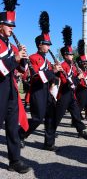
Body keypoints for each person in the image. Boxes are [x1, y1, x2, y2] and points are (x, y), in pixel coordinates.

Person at [0, 0, 31, 173]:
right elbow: (2, 69)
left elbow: (20, 70)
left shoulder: (11, 46)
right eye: (9, 25)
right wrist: (16, 58)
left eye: (13, 26)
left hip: (11, 90)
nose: (12, 29)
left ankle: (14, 161)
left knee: (12, 127)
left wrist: (23, 59)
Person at [19, 11, 60, 151]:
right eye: (47, 45)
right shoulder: (33, 58)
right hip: (37, 90)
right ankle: (21, 134)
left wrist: (56, 73)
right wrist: (52, 71)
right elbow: (36, 77)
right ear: (40, 44)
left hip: (47, 91)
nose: (49, 47)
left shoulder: (47, 61)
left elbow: (50, 77)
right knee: (37, 118)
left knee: (50, 116)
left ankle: (49, 143)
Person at [53, 25, 87, 143]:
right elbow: (66, 81)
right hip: (64, 93)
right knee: (58, 116)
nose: (72, 56)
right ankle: (51, 131)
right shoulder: (63, 65)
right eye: (70, 55)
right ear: (65, 56)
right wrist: (78, 78)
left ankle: (81, 131)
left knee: (76, 113)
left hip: (71, 95)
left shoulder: (73, 66)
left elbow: (75, 79)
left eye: (72, 54)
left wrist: (80, 76)